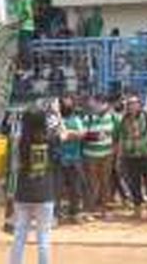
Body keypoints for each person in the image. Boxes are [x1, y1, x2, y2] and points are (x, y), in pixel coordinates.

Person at [9, 105, 56, 264]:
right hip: (44, 193)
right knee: (43, 237)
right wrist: (57, 114)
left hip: (23, 192)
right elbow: (61, 132)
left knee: (19, 235)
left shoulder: (18, 141)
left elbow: (14, 167)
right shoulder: (51, 139)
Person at [82, 95, 117, 220]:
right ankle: (90, 210)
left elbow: (116, 134)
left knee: (105, 182)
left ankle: (106, 210)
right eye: (97, 103)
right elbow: (83, 135)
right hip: (90, 155)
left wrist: (115, 151)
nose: (97, 106)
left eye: (101, 103)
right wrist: (96, 136)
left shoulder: (112, 117)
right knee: (92, 183)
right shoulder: (88, 117)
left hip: (107, 154)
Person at [118, 95, 147, 219]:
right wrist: (120, 156)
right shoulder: (124, 119)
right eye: (129, 104)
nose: (132, 106)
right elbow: (122, 138)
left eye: (134, 103)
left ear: (139, 105)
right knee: (134, 184)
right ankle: (137, 209)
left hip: (145, 155)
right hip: (130, 156)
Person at [58, 95, 89, 223]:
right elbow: (58, 136)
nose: (67, 105)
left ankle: (75, 213)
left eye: (69, 103)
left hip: (74, 158)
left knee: (75, 188)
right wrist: (72, 134)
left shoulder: (76, 119)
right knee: (58, 188)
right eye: (64, 103)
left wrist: (68, 134)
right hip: (59, 158)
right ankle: (57, 214)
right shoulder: (57, 120)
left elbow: (82, 134)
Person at [15, 0, 36, 65]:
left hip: (26, 27)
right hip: (22, 27)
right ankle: (24, 65)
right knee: (21, 47)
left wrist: (19, 22)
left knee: (25, 47)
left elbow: (28, 14)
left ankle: (28, 65)